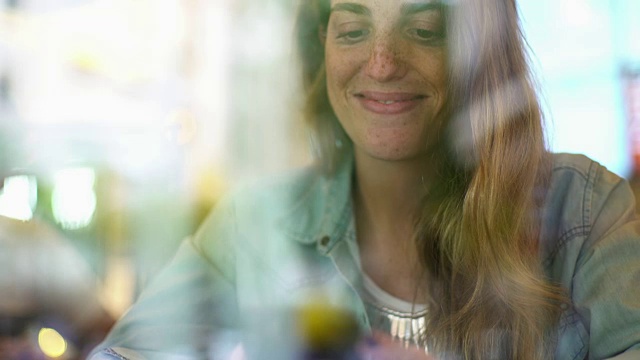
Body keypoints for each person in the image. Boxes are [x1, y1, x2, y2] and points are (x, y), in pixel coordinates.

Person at [90, 0, 640, 359]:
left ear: (481, 55)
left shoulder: (587, 213)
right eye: (352, 29)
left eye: (424, 30)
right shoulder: (255, 221)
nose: (380, 64)